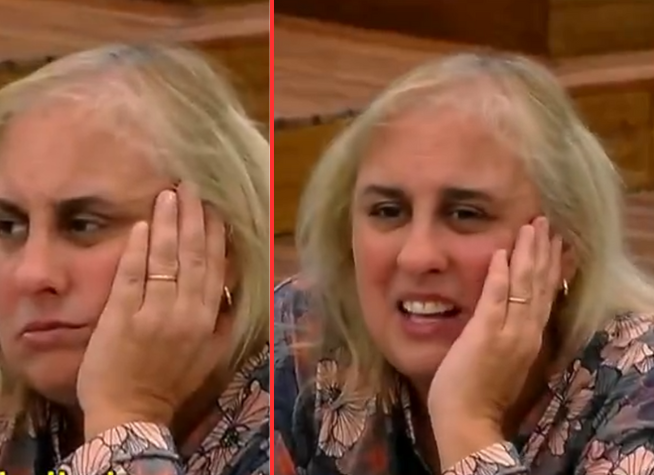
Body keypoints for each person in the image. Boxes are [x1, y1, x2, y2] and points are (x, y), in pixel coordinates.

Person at [0, 43, 270, 475]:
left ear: (221, 245)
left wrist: (126, 416)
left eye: (84, 225)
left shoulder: (299, 406)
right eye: (9, 226)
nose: (33, 274)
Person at [274, 51, 654, 475]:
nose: (417, 256)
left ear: (566, 245)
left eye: (466, 214)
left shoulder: (639, 384)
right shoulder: (300, 336)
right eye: (387, 211)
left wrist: (467, 421)